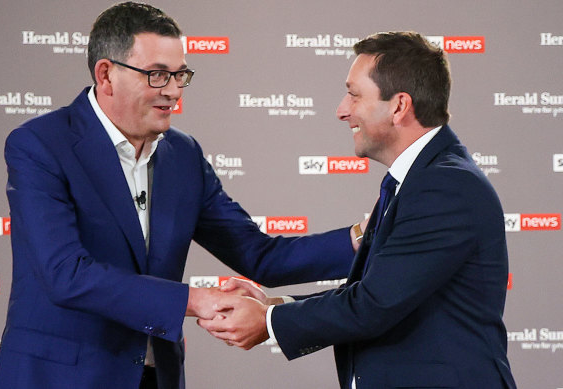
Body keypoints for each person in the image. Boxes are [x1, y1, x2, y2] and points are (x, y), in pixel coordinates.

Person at [0, 2, 362, 388]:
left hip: (157, 377)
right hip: (58, 377)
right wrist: (194, 300)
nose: (172, 91)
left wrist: (360, 238)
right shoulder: (40, 145)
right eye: (157, 75)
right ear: (106, 75)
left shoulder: (183, 155)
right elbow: (65, 274)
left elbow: (259, 255)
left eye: (179, 75)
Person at [199, 31, 517, 389]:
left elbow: (372, 305)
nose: (341, 110)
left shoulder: (443, 186)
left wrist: (270, 319)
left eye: (353, 95)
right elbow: (377, 291)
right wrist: (276, 302)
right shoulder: (420, 178)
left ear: (398, 106)